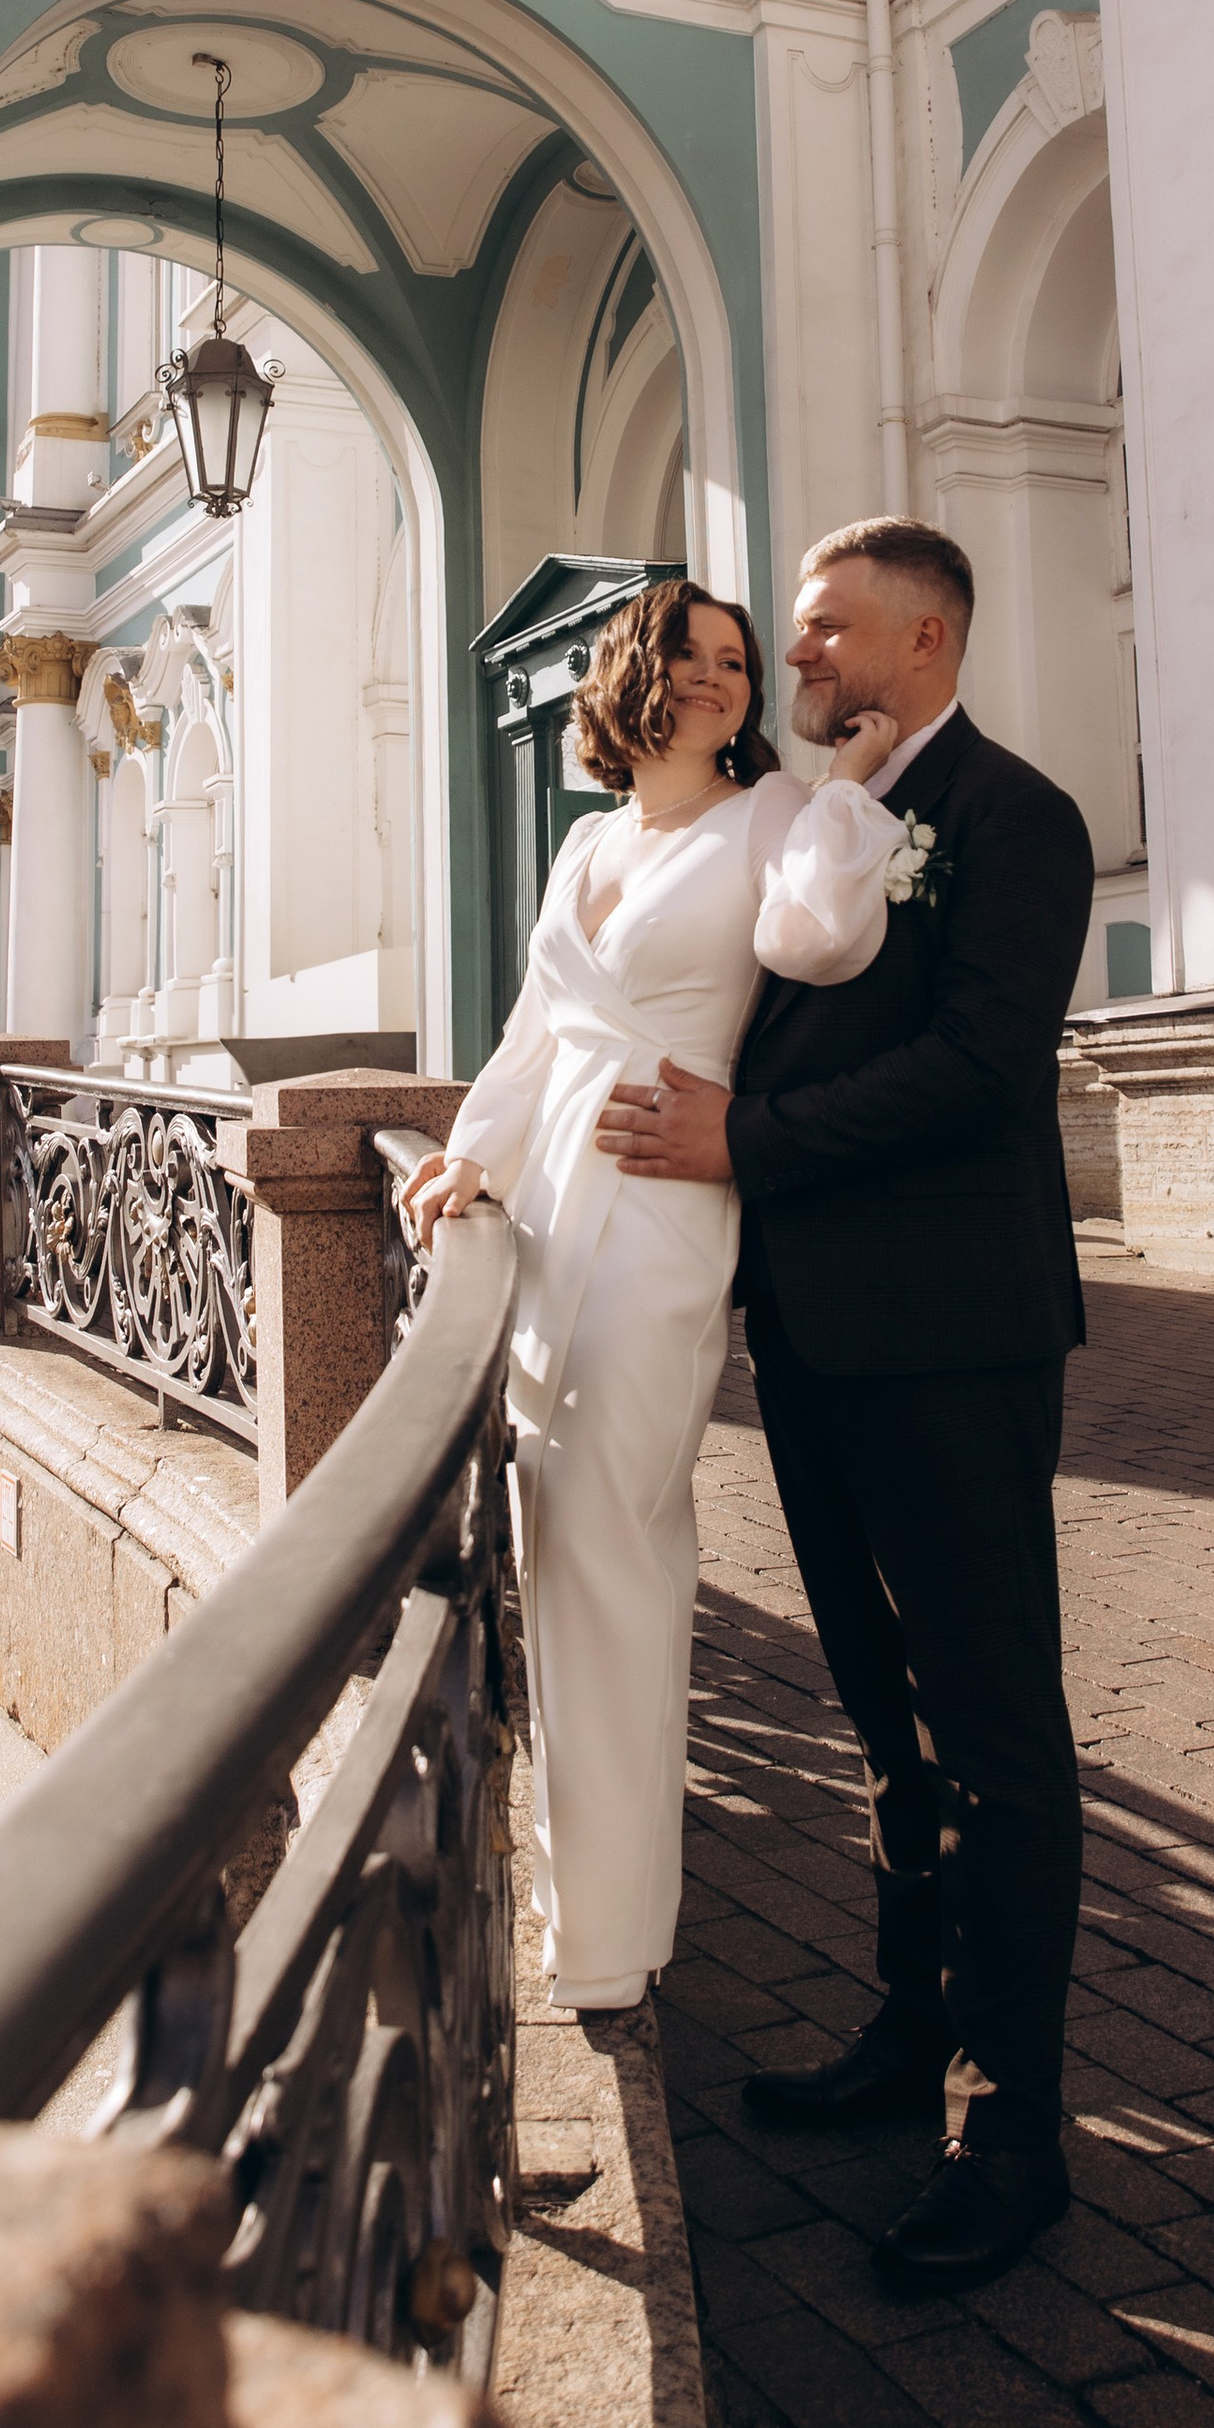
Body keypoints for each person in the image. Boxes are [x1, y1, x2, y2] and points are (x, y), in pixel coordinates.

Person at [592, 519, 1095, 2298]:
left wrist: (750, 1146)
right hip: (811, 1340)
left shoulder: (1018, 819)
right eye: (794, 638)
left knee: (996, 1740)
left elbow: (972, 1071)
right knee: (888, 1725)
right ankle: (908, 2023)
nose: (794, 664)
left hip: (953, 1338)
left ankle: (1008, 2129)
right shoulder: (829, 812)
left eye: (822, 635)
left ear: (928, 636)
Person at [404, 582, 912, 2017]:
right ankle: (574, 1906)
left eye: (737, 663)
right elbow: (534, 1031)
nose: (715, 679)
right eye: (688, 655)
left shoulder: (773, 818)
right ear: (631, 672)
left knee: (617, 1547)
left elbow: (820, 946)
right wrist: (471, 1152)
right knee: (552, 1542)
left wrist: (846, 792)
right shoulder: (586, 840)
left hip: (668, 1205)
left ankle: (614, 1940)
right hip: (555, 1202)